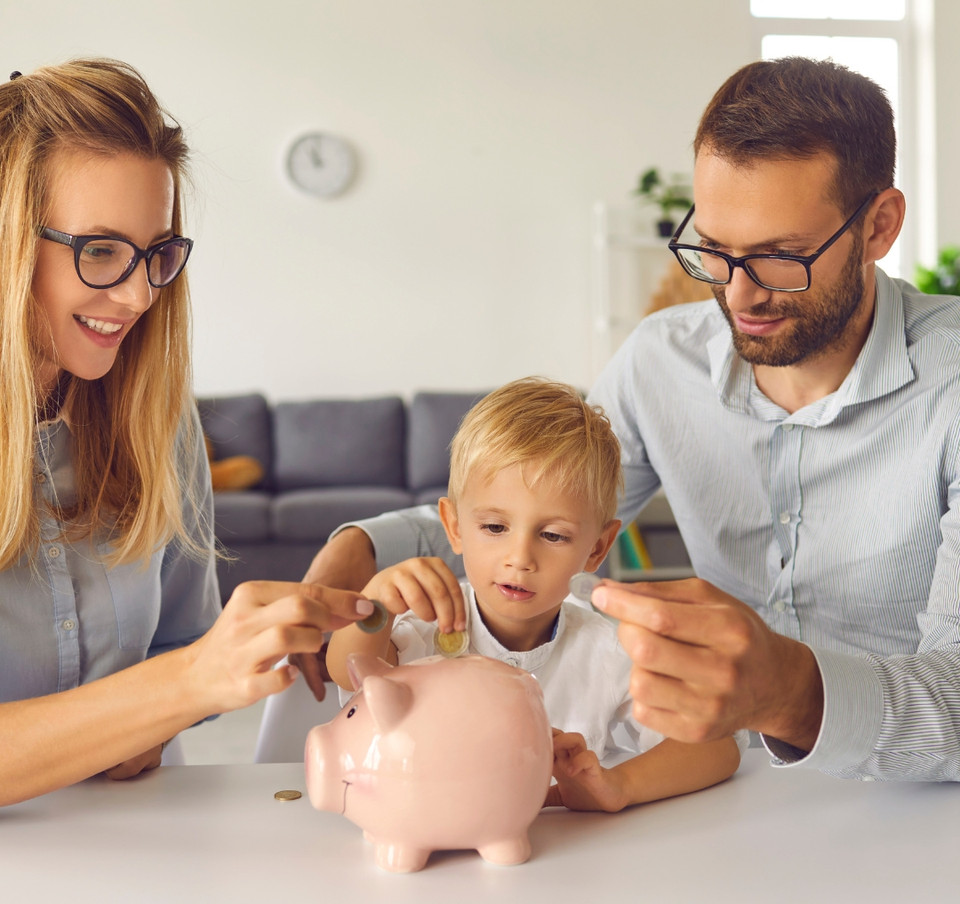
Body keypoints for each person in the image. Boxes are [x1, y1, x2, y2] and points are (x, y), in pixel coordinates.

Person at [301, 56, 960, 783]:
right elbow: (533, 504)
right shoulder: (660, 360)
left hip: (918, 810)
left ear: (880, 226)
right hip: (719, 790)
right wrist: (362, 545)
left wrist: (794, 695)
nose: (739, 295)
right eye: (714, 249)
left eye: (782, 257)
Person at [0, 59, 374, 807]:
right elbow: (182, 674)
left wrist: (166, 712)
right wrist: (179, 686)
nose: (139, 294)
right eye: (99, 250)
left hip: (136, 852)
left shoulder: (156, 422)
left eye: (156, 253)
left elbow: (179, 646)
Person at [324, 378, 742, 811]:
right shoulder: (428, 625)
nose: (519, 558)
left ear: (597, 548)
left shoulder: (609, 648)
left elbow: (716, 745)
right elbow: (347, 670)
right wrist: (375, 606)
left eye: (553, 535)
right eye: (494, 527)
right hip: (431, 839)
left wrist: (619, 786)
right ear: (453, 526)